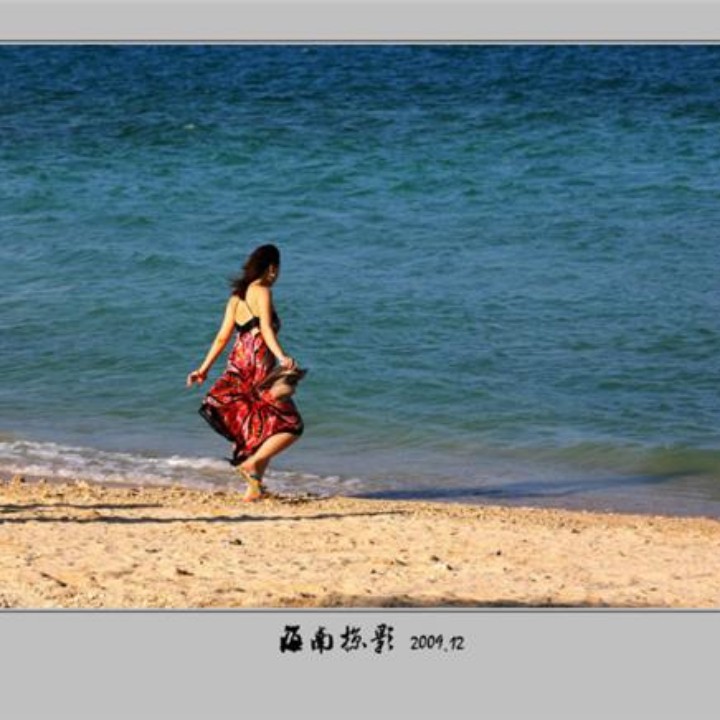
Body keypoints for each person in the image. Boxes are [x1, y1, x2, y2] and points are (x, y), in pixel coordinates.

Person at [186, 244, 305, 502]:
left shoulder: (236, 297)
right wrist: (283, 357)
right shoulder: (263, 291)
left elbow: (222, 337)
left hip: (238, 363)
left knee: (260, 425)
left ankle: (254, 488)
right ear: (272, 268)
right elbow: (266, 329)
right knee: (291, 424)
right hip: (258, 365)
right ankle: (252, 463)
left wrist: (202, 369)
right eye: (278, 268)